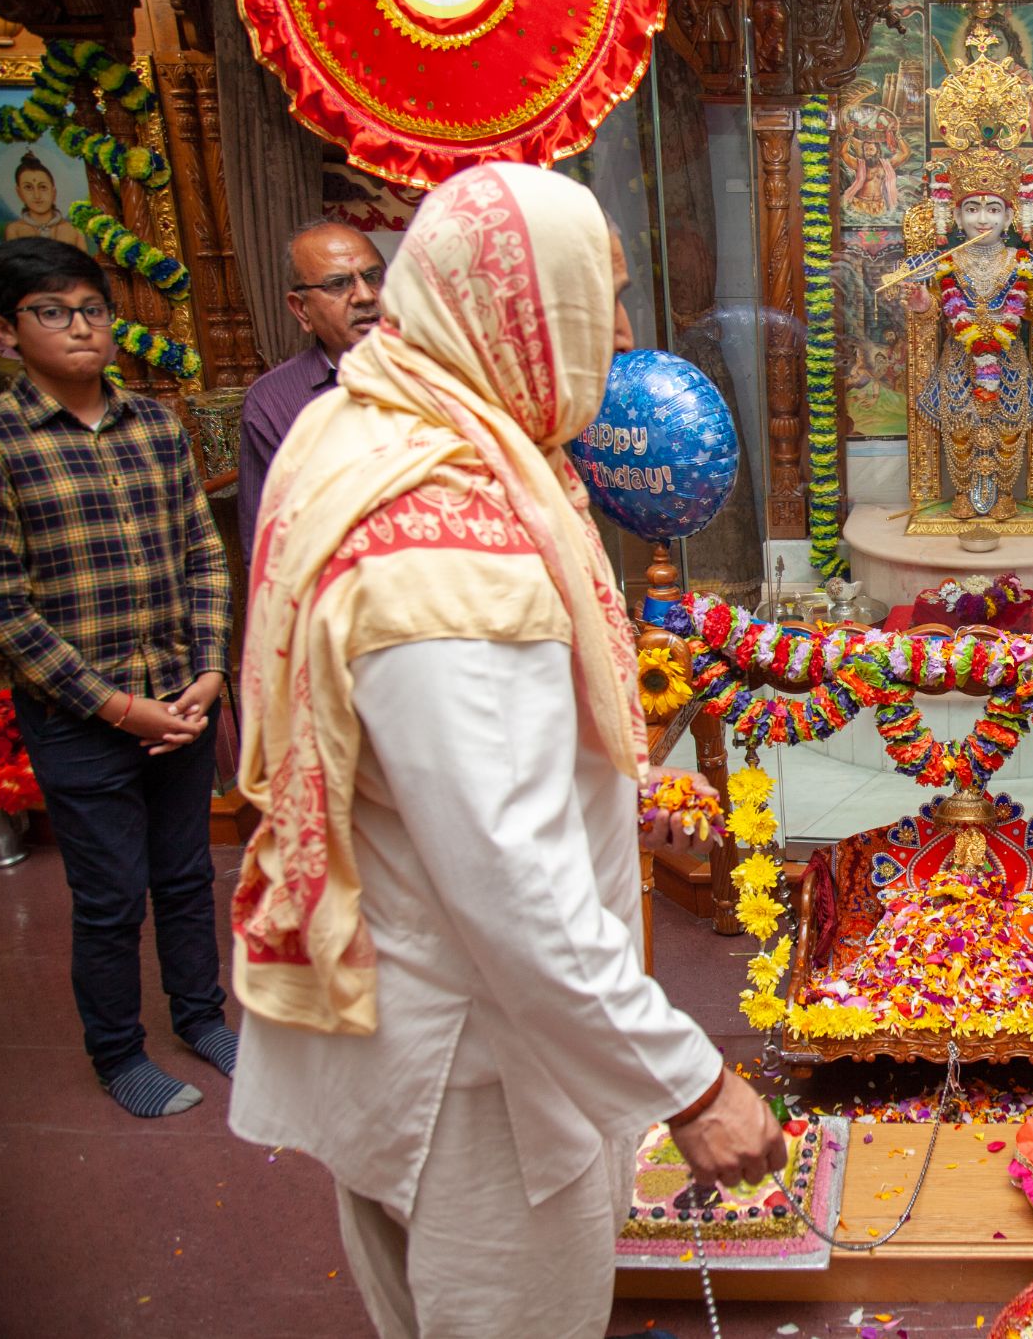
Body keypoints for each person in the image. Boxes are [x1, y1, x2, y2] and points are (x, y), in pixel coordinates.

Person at [226, 164, 784, 1339]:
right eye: (601, 299)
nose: (622, 339)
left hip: (390, 1000)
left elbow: (437, 764)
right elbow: (508, 880)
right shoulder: (451, 545)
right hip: (476, 1068)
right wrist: (691, 1081)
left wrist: (615, 789)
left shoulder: (369, 421)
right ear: (516, 314)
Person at [0, 238, 233, 1118]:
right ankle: (119, 1052)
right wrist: (118, 707)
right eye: (52, 312)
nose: (81, 327)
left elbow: (204, 555)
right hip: (80, 716)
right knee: (107, 897)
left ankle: (202, 1018)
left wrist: (208, 670)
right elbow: (6, 609)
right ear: (6, 334)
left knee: (184, 874)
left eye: (93, 308)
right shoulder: (1, 442)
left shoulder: (154, 424)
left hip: (177, 694)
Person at [233, 217, 383, 561]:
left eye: (373, 276)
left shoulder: (439, 372)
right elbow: (264, 546)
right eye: (337, 284)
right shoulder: (273, 401)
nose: (364, 295)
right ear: (301, 310)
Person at [3, 154, 85, 248]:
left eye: (43, 187)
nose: (37, 195)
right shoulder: (15, 230)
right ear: (19, 193)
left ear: (53, 192)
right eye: (28, 187)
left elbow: (85, 262)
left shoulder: (73, 230)